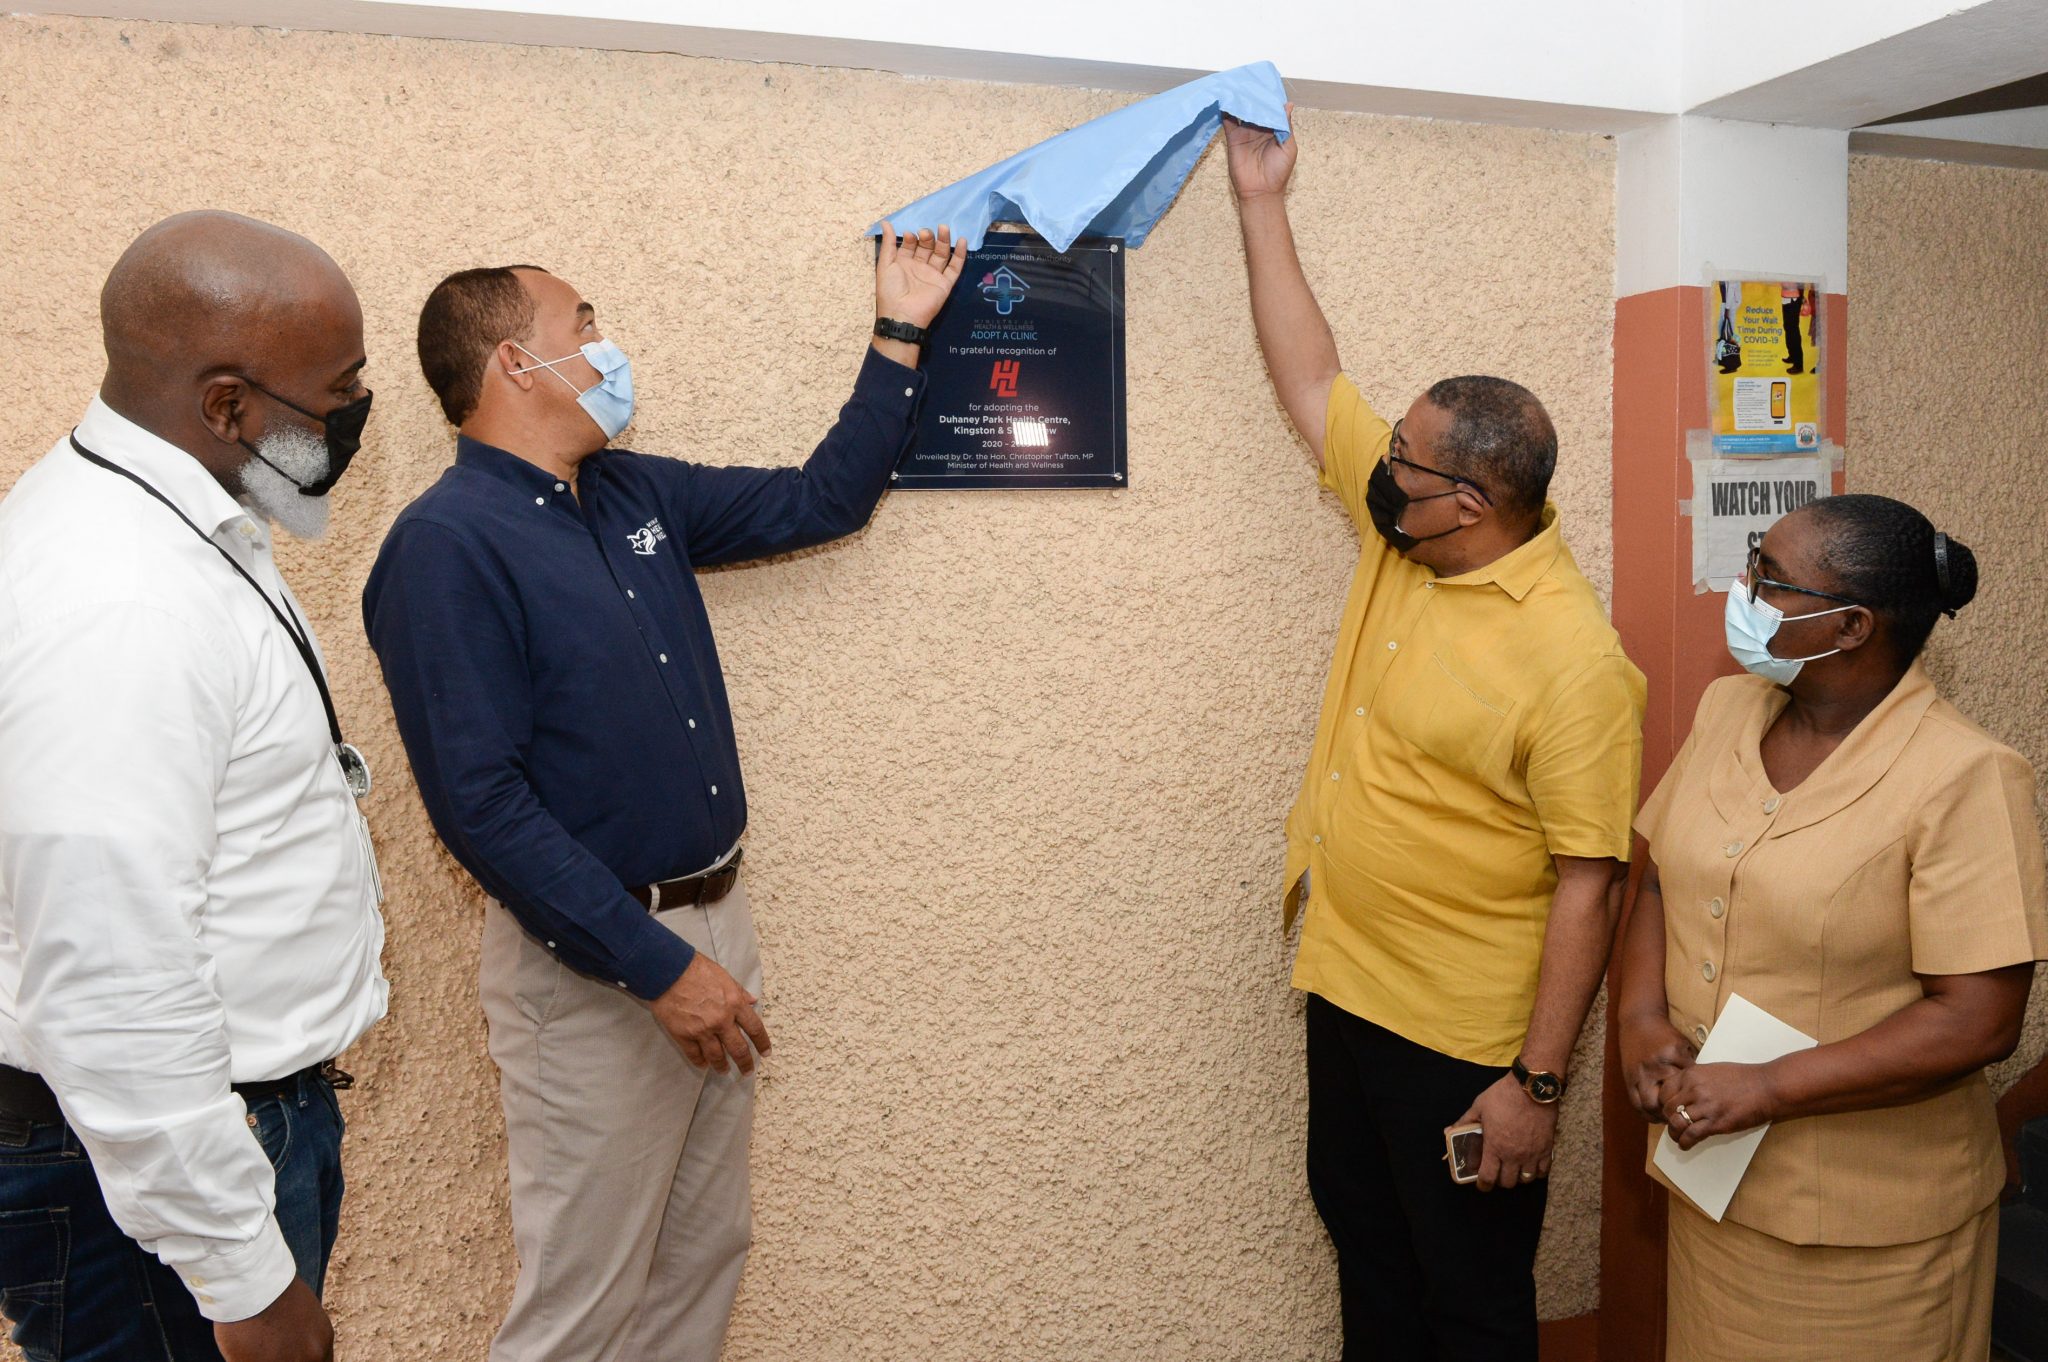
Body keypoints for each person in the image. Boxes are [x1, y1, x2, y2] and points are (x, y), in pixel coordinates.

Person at [362, 223, 965, 1362]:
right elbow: (480, 807)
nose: (606, 343)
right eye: (582, 325)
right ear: (511, 365)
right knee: (582, 1305)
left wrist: (897, 332)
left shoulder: (627, 493)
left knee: (699, 1261)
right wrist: (658, 967)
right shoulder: (446, 545)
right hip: (599, 968)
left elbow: (819, 501)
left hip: (711, 932)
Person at [1223, 112, 1646, 1360]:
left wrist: (1534, 1088)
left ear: (1466, 502)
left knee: (1465, 1299)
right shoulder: (1406, 537)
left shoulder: (1572, 661)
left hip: (1464, 1038)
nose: (1375, 465)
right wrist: (1260, 203)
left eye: (1398, 458)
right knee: (1363, 1237)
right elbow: (1311, 376)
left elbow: (1591, 883)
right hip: (1350, 985)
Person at [0, 211, 389, 1362]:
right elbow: (114, 979)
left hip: (208, 1144)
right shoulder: (120, 603)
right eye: (338, 393)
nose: (354, 418)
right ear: (226, 405)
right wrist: (245, 1280)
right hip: (155, 1187)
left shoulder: (169, 521)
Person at [1616, 494, 2047, 1361]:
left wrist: (1770, 1086)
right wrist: (1639, 1021)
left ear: (1849, 627)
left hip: (1870, 1237)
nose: (1742, 592)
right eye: (1752, 562)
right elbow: (1662, 877)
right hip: (1716, 1185)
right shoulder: (1727, 712)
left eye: (1769, 580)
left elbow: (1980, 1019)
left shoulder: (1967, 777)